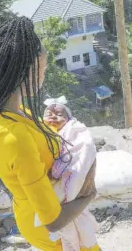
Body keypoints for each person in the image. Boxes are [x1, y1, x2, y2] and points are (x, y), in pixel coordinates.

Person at [0, 16, 99, 251]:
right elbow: (54, 221)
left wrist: (57, 125)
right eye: (43, 68)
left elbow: (40, 143)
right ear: (24, 73)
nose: (44, 75)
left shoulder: (18, 112)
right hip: (45, 226)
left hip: (33, 211)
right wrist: (89, 194)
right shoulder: (12, 136)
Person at [38, 96, 99, 250]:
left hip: (72, 188)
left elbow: (84, 149)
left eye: (59, 114)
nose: (53, 116)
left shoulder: (74, 131)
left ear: (69, 118)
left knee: (75, 216)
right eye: (48, 113)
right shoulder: (39, 134)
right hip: (48, 189)